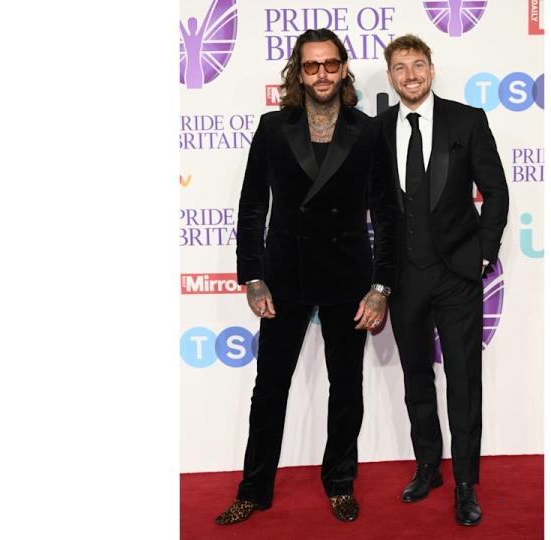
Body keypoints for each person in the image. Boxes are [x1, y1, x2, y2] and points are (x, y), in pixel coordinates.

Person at [215, 28, 399, 526]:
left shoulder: (369, 130)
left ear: (343, 69)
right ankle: (253, 489)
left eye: (330, 64)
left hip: (348, 278)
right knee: (269, 388)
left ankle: (339, 482)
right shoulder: (274, 128)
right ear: (298, 71)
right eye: (311, 65)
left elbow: (387, 215)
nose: (321, 74)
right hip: (284, 277)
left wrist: (381, 287)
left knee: (346, 387)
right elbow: (253, 204)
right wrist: (252, 275)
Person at [376, 34, 509, 526]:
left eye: (417, 65)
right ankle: (428, 465)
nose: (409, 75)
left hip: (457, 276)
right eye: (399, 68)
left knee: (463, 383)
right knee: (415, 380)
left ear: (431, 69)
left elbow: (495, 192)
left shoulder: (466, 120)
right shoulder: (379, 128)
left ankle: (466, 484)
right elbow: (381, 210)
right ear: (390, 76)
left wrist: (482, 254)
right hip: (405, 277)